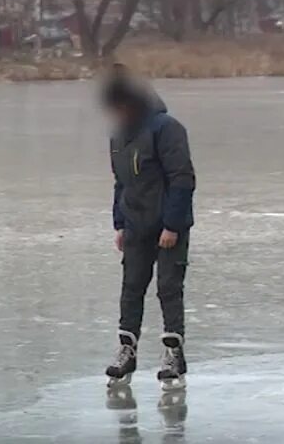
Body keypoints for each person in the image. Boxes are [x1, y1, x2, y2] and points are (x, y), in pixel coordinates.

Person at [100, 67, 196, 391]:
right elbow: (121, 183)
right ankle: (127, 350)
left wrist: (172, 225)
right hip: (136, 227)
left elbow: (182, 179)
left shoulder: (166, 129)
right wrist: (120, 223)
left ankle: (173, 355)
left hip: (167, 228)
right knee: (131, 290)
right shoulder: (118, 137)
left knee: (168, 289)